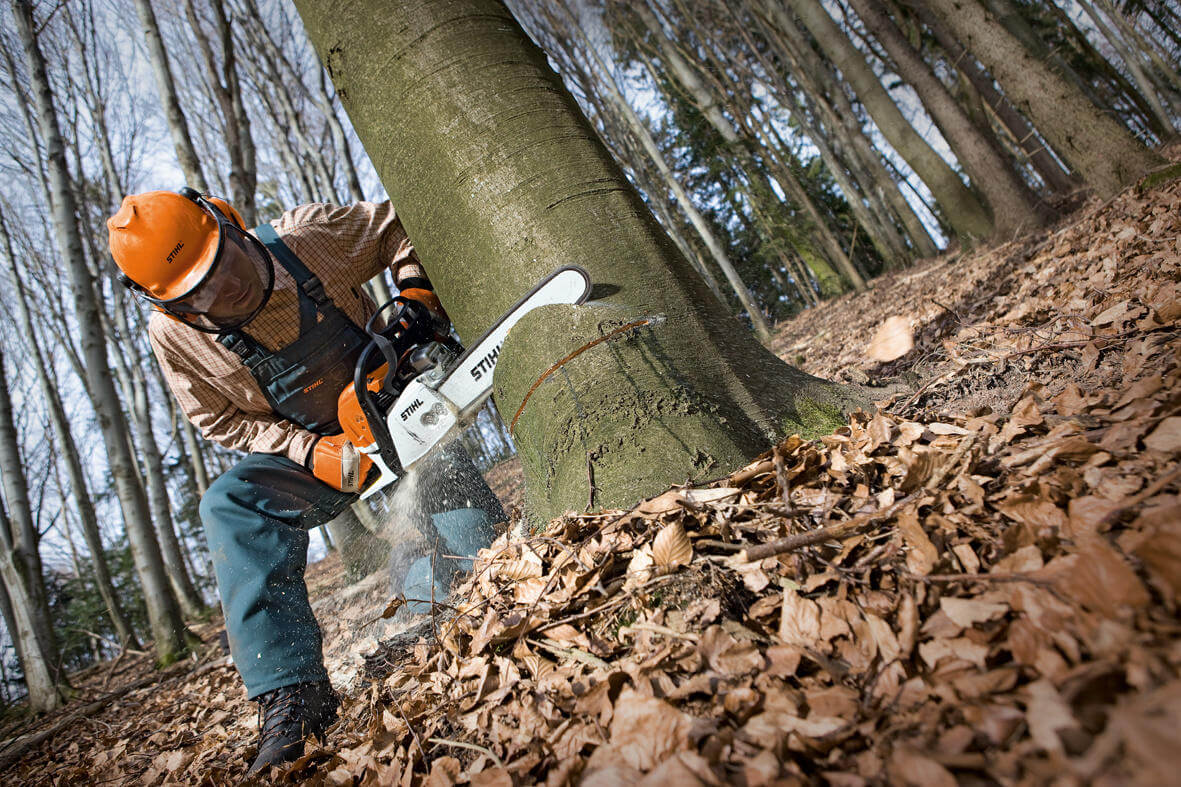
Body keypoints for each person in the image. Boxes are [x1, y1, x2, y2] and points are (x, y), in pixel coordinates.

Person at [107, 188, 503, 773]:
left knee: (484, 572)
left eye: (225, 267)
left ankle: (451, 599)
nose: (226, 291)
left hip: (399, 412)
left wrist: (416, 295)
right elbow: (213, 416)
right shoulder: (175, 339)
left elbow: (400, 223)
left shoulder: (307, 239)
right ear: (171, 309)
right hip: (314, 452)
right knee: (229, 506)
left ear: (232, 226)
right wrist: (303, 448)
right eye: (200, 296)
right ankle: (292, 690)